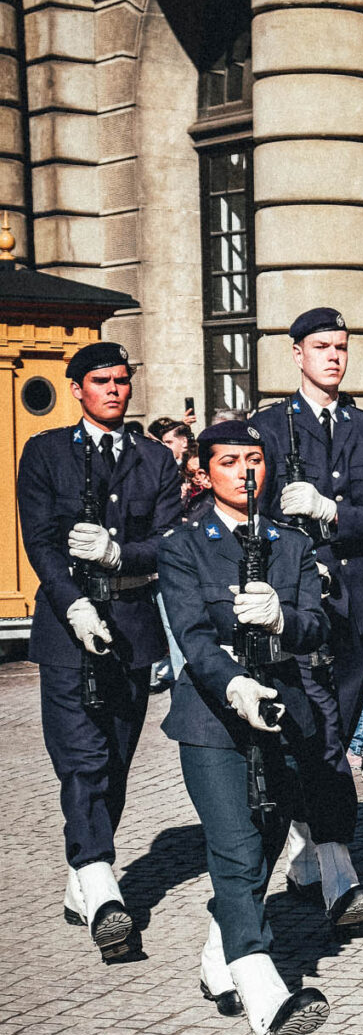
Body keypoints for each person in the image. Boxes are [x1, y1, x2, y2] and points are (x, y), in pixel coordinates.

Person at [156, 421, 331, 1035]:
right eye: (229, 461)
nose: (244, 471)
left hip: (281, 711)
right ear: (204, 473)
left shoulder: (292, 544)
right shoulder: (184, 545)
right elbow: (193, 637)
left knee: (263, 845)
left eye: (254, 459)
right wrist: (235, 683)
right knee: (234, 848)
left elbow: (317, 626)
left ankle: (219, 958)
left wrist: (284, 620)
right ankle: (267, 999)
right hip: (213, 717)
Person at [17, 342, 182, 954]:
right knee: (81, 758)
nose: (114, 390)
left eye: (121, 380)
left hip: (131, 628)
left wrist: (120, 555)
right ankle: (101, 884)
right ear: (76, 389)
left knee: (114, 758)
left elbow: (169, 540)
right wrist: (73, 603)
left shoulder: (154, 458)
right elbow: (40, 539)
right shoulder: (46, 452)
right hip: (68, 628)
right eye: (101, 381)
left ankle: (81, 879)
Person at [251, 306, 363, 927]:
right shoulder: (267, 426)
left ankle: (311, 854)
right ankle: (335, 863)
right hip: (296, 605)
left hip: (355, 604)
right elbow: (252, 517)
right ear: (297, 354)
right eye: (321, 347)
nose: (334, 357)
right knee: (313, 732)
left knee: (333, 729)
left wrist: (332, 511)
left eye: (341, 346)